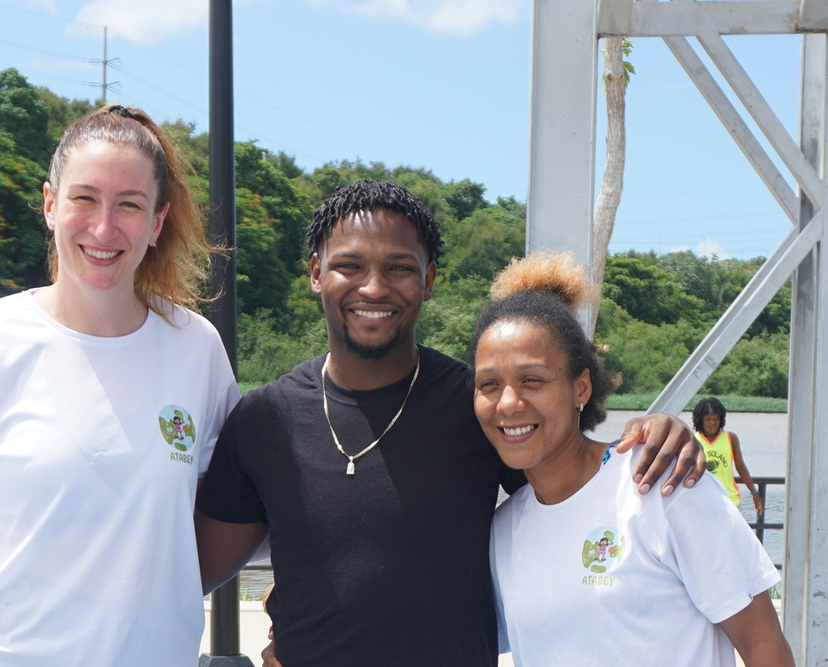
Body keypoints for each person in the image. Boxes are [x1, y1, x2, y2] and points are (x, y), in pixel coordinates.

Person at [195, 180, 706, 667]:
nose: (374, 287)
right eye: (349, 265)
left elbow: (582, 488)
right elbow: (190, 570)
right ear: (315, 273)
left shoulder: (479, 405)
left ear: (429, 280)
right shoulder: (265, 420)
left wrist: (653, 436)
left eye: (399, 267)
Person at [0, 104, 239, 666]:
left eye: (129, 205)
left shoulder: (195, 348)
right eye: (84, 198)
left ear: (157, 222)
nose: (104, 228)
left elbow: (236, 509)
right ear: (49, 204)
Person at [476, 252, 793, 665]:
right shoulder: (503, 531)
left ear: (581, 388)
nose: (509, 403)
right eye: (489, 384)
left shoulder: (662, 481)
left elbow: (762, 646)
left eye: (532, 380)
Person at [693, 396, 764, 514]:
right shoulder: (693, 440)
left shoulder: (731, 438)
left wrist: (754, 492)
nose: (713, 423)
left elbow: (740, 465)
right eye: (708, 419)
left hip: (730, 499)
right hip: (703, 499)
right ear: (700, 420)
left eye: (716, 418)